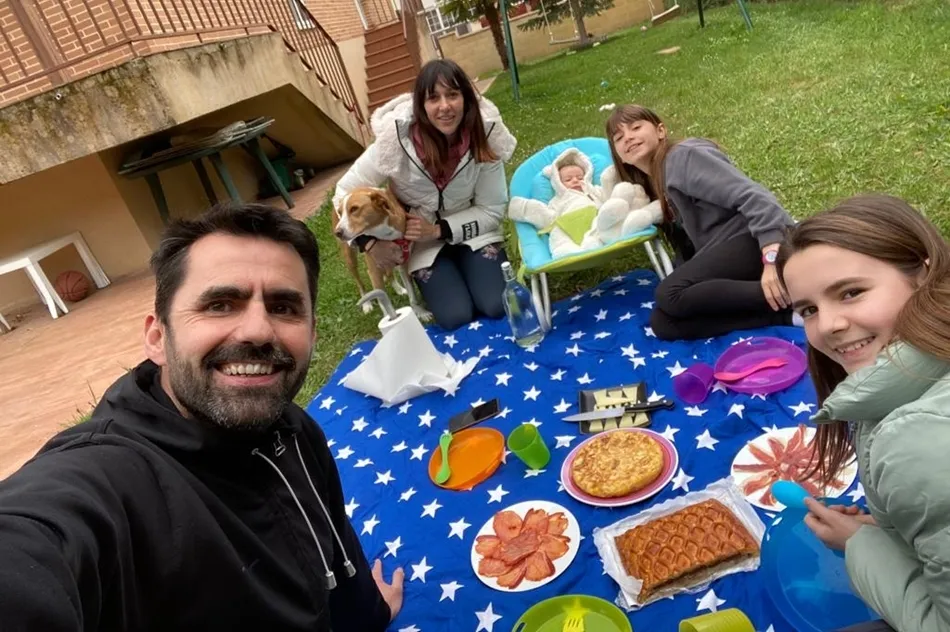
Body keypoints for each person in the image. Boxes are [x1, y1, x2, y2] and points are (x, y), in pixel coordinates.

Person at [0, 204, 403, 631]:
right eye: (220, 304)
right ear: (158, 337)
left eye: (284, 308)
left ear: (312, 333)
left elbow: (333, 541)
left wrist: (369, 612)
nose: (258, 331)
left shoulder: (297, 430)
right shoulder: (110, 477)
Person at [777, 194, 950, 632]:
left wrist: (862, 544)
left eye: (851, 292)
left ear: (923, 273)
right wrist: (898, 528)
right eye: (809, 310)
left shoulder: (915, 442)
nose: (828, 325)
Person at [333, 59, 517, 330]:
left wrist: (438, 230)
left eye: (453, 95)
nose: (445, 106)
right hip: (420, 246)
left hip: (474, 233)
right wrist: (370, 244)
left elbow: (492, 210)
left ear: (466, 98)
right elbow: (342, 194)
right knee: (456, 315)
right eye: (434, 98)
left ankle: (471, 269)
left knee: (497, 303)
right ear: (421, 105)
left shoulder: (485, 136)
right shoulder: (395, 140)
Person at [605, 105, 798, 340]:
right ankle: (786, 316)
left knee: (670, 293)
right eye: (619, 137)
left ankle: (801, 288)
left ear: (661, 131)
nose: (629, 137)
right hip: (725, 250)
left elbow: (754, 197)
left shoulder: (683, 157)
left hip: (756, 239)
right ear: (619, 156)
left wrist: (771, 259)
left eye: (636, 127)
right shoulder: (653, 184)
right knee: (663, 322)